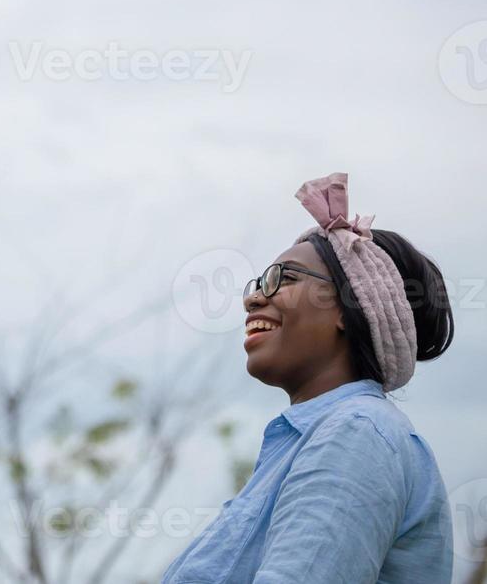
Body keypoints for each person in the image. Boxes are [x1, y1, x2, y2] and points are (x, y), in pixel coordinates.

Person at [162, 173, 456, 583]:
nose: (252, 297)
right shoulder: (316, 439)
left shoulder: (356, 435)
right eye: (260, 281)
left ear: (351, 306)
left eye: (284, 278)